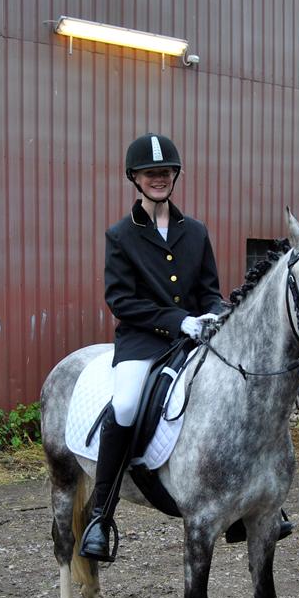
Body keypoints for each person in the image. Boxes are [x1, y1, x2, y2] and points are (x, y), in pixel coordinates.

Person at [79, 133, 225, 562]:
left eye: (165, 172)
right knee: (124, 405)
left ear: (174, 176)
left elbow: (209, 290)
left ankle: (243, 499)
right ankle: (101, 516)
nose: (159, 179)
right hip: (143, 339)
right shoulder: (121, 235)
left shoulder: (195, 231)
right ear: (135, 179)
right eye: (150, 173)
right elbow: (121, 300)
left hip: (195, 336)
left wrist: (214, 313)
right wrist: (178, 320)